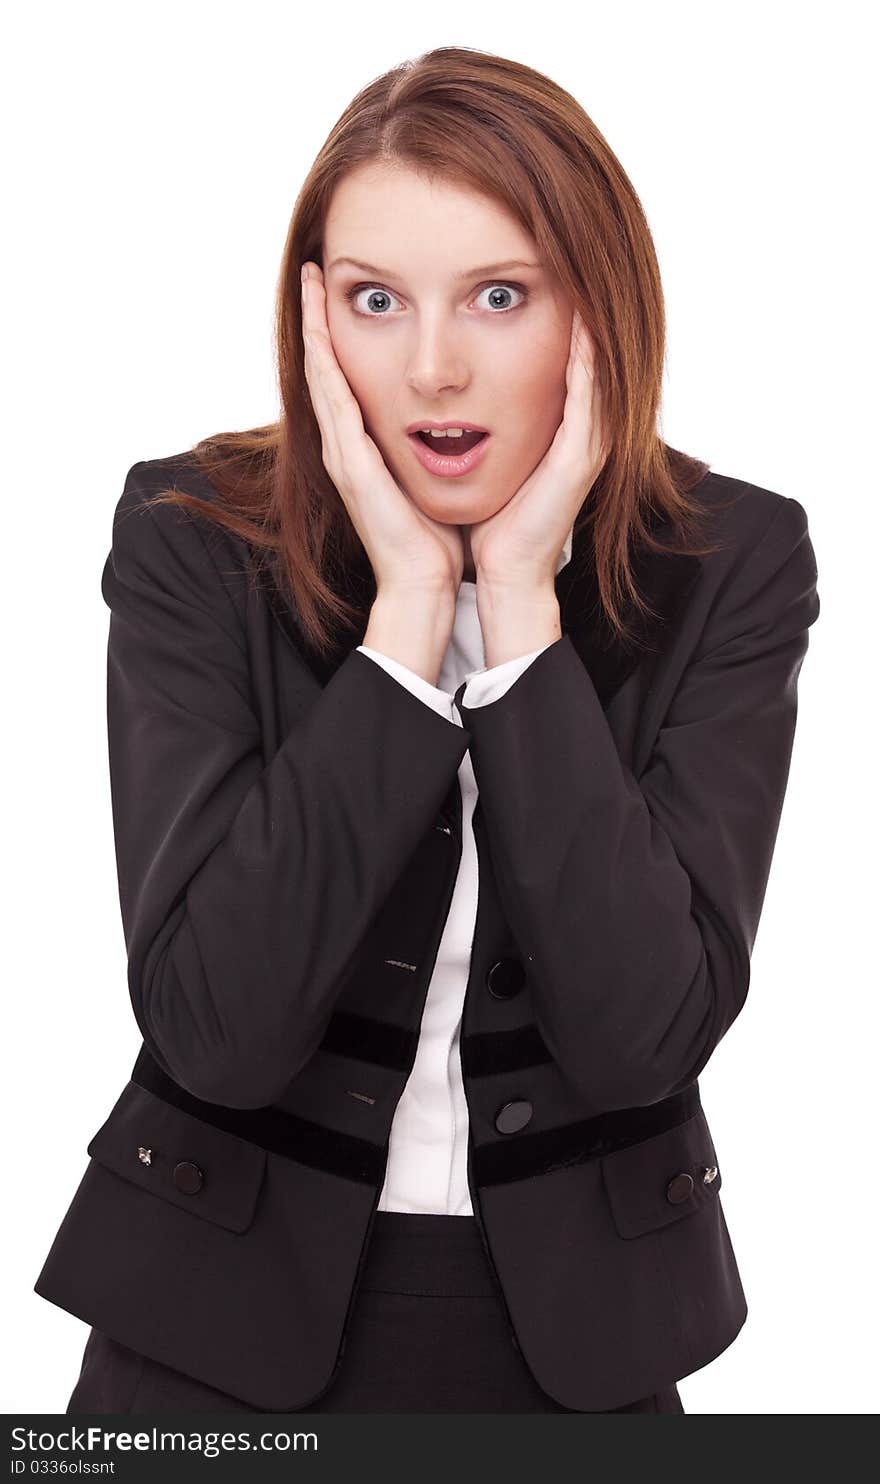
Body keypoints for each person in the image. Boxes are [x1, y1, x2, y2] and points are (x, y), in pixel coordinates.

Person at [35, 45, 819, 1415]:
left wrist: (518, 606)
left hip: (580, 1348)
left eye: (499, 296)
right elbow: (214, 1028)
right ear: (313, 317)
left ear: (597, 312)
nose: (434, 367)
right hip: (207, 1336)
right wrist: (408, 616)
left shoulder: (731, 560)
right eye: (376, 300)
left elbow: (644, 1034)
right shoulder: (190, 541)